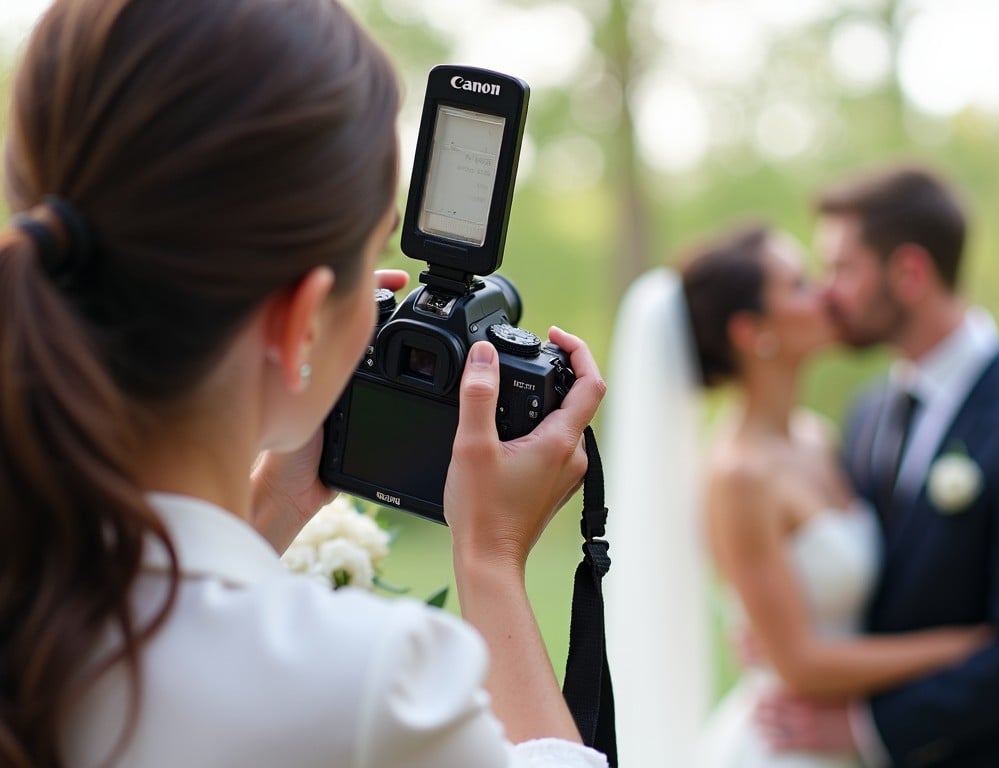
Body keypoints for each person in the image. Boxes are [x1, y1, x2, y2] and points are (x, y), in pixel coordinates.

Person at [0, 1, 609, 766]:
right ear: (300, 325)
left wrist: (278, 503)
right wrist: (490, 557)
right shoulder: (367, 685)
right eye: (374, 250)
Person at [603, 222, 989, 767]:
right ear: (753, 331)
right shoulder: (740, 476)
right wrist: (962, 648)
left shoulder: (818, 437)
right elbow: (801, 664)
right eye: (800, 285)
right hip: (787, 747)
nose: (827, 293)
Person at [756, 165, 999, 767]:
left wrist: (868, 729)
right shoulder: (868, 411)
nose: (826, 292)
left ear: (909, 273)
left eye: (843, 269)